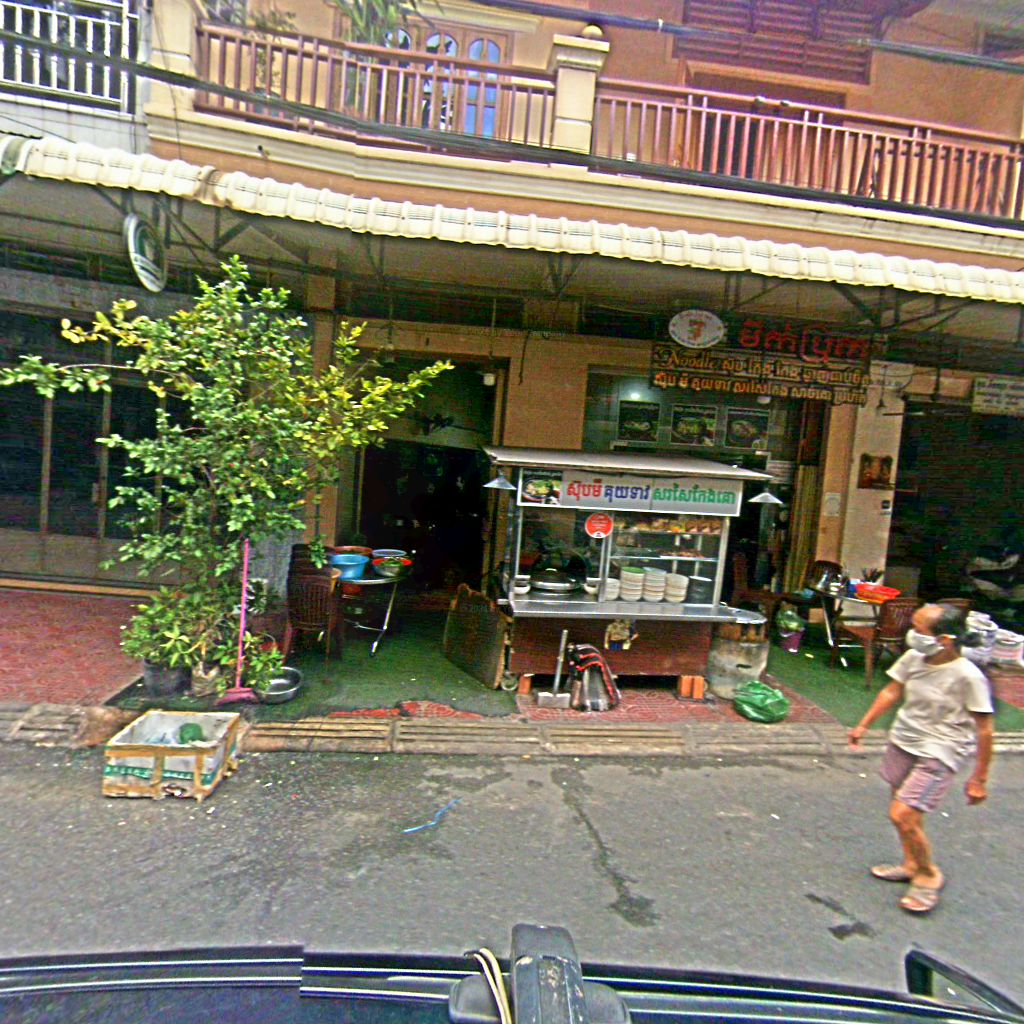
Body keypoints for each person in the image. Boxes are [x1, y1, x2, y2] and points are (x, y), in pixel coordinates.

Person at [847, 602, 994, 915]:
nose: (911, 634)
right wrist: (863, 725)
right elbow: (892, 691)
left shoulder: (968, 676)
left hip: (940, 751)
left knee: (903, 814)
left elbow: (984, 729)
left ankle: (928, 874)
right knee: (906, 813)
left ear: (945, 640)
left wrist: (979, 778)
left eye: (918, 629)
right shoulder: (914, 657)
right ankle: (911, 863)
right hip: (904, 740)